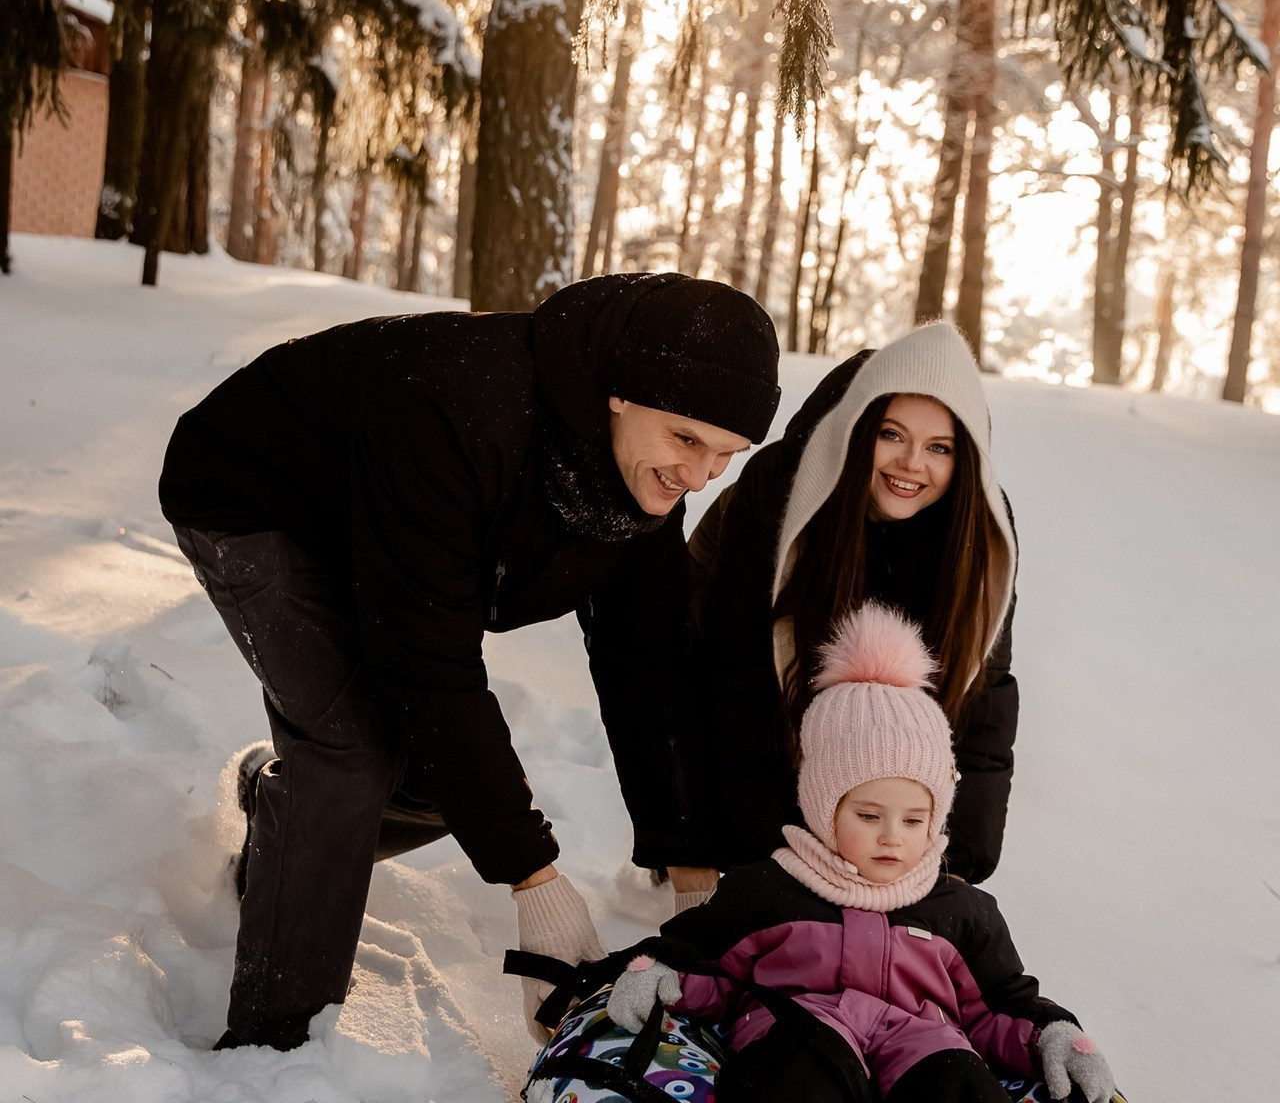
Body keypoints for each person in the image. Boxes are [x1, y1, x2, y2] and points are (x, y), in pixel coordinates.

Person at [157, 271, 781, 1052]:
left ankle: (291, 831)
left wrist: (694, 872)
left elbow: (647, 665)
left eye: (725, 455)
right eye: (686, 440)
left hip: (385, 534)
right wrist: (536, 885)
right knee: (351, 753)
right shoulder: (459, 409)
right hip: (258, 498)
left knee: (436, 774)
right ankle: (275, 1049)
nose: (696, 476)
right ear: (621, 393)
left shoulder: (643, 476)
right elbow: (427, 666)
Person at [606, 603, 1117, 1103]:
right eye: (869, 817)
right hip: (797, 1031)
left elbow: (1001, 1005)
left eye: (915, 820)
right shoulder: (767, 889)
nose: (893, 836)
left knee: (955, 1078)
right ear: (824, 807)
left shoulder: (963, 912)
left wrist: (1051, 1035)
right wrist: (660, 974)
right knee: (799, 1073)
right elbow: (706, 965)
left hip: (925, 1043)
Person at [682, 320, 1018, 884]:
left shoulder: (978, 529)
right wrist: (754, 859)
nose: (913, 463)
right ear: (859, 432)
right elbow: (733, 683)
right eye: (891, 435)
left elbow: (983, 700)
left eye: (940, 447)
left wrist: (951, 868)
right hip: (739, 646)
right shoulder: (778, 489)